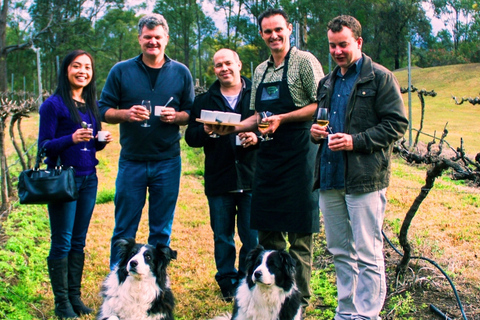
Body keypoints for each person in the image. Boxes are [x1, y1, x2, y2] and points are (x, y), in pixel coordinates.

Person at [212, 8, 324, 306]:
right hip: (269, 159)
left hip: (300, 153)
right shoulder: (261, 70)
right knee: (269, 233)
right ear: (261, 34)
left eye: (278, 29)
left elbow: (319, 104)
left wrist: (283, 118)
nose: (273, 36)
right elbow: (259, 115)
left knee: (300, 234)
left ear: (289, 28)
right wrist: (230, 127)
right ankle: (272, 299)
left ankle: (297, 300)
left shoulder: (305, 62)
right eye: (267, 31)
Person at [310, 15, 408, 320]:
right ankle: (347, 311)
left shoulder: (380, 78)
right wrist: (315, 133)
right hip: (330, 176)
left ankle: (367, 315)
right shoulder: (326, 82)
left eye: (343, 44)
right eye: (332, 45)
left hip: (364, 179)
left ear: (358, 42)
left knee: (367, 252)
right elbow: (321, 121)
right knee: (340, 251)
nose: (337, 51)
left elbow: (396, 125)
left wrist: (356, 141)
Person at [98, 13, 194, 268]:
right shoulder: (121, 71)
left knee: (161, 228)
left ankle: (157, 281)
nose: (153, 41)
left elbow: (190, 113)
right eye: (148, 37)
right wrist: (125, 114)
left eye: (157, 37)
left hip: (167, 161)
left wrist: (177, 117)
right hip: (132, 161)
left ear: (166, 39)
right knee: (124, 226)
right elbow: (103, 109)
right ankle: (117, 279)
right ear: (140, 39)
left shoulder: (181, 73)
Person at [38, 50, 113, 318]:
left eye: (87, 67)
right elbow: (44, 147)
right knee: (62, 241)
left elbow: (89, 145)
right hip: (63, 181)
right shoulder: (53, 105)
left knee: (78, 241)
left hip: (88, 178)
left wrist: (99, 141)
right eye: (76, 66)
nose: (82, 71)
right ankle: (61, 304)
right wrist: (70, 138)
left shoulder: (90, 104)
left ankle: (74, 297)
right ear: (66, 70)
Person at [184, 48, 259, 301]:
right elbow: (190, 138)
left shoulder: (256, 96)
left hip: (251, 176)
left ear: (239, 64)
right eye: (218, 65)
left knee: (251, 235)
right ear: (214, 69)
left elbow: (271, 128)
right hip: (220, 178)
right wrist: (204, 131)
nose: (224, 68)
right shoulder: (204, 100)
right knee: (223, 235)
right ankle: (227, 280)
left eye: (228, 63)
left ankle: (248, 278)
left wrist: (256, 137)